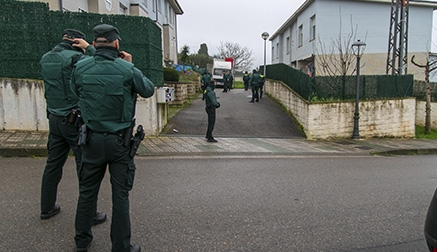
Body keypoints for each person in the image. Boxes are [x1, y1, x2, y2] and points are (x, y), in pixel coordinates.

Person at [71, 24, 155, 252]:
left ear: (94, 43)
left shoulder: (80, 67)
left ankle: (82, 241)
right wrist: (130, 65)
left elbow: (75, 90)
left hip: (91, 141)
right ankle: (121, 247)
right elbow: (148, 90)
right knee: (120, 196)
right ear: (117, 43)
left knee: (87, 192)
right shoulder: (126, 69)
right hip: (119, 143)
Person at [39, 29, 107, 225]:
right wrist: (90, 49)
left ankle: (47, 207)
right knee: (85, 167)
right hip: (73, 121)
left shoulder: (46, 58)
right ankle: (90, 214)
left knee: (53, 165)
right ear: (78, 41)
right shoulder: (76, 58)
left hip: (53, 118)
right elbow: (99, 63)